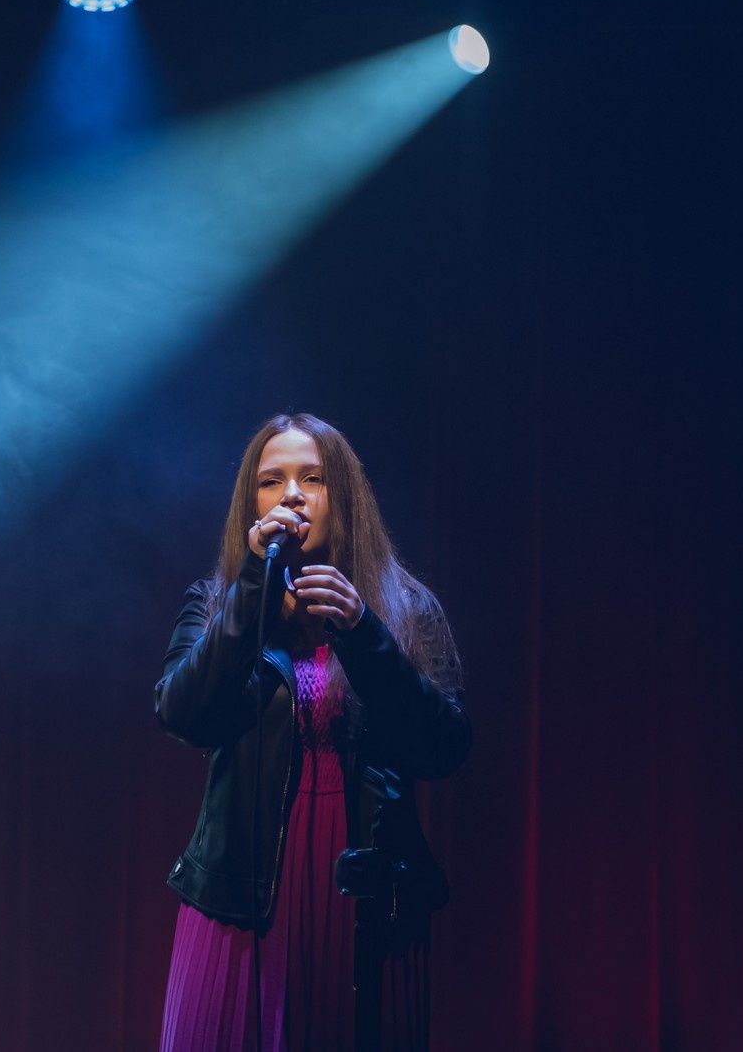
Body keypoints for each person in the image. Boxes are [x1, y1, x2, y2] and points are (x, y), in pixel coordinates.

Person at [154, 414, 470, 1052]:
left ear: (342, 496)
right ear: (252, 505)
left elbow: (443, 748)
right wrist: (252, 590)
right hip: (242, 896)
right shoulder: (216, 603)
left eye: (313, 479)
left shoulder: (404, 609)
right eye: (272, 481)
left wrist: (363, 632)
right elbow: (182, 714)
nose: (292, 495)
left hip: (365, 894)